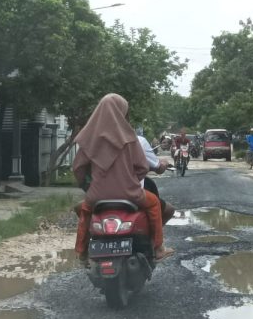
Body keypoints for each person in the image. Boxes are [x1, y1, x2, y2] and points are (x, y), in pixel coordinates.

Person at [72, 94, 174, 263]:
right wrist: (132, 180)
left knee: (85, 213)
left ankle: (81, 252)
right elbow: (142, 167)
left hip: (97, 195)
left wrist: (87, 185)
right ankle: (158, 248)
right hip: (130, 193)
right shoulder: (130, 138)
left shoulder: (89, 138)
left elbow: (78, 168)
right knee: (155, 203)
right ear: (122, 112)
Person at [137, 133, 176, 224]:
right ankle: (155, 238)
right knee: (163, 209)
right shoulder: (138, 141)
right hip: (132, 194)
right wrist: (164, 163)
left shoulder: (97, 140)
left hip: (99, 194)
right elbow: (158, 168)